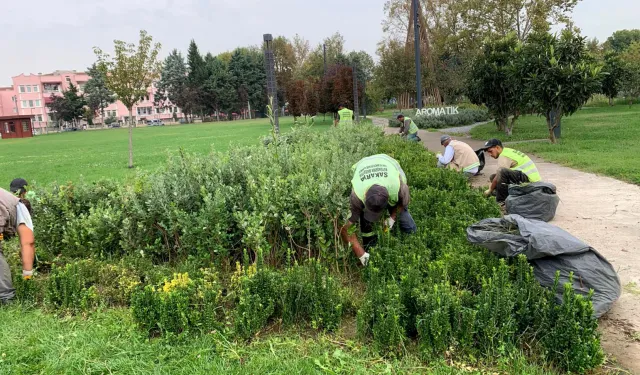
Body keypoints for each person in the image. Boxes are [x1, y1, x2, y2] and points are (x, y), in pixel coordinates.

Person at [340, 154, 417, 266]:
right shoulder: (357, 195)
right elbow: (346, 227)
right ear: (365, 196)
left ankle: (413, 242)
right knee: (366, 222)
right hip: (364, 164)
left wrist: (392, 218)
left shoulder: (398, 186)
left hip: (388, 162)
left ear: (388, 197)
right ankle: (369, 248)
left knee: (405, 220)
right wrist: (361, 254)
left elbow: (402, 202)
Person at [1, 182, 36, 303]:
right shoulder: (20, 209)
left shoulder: (5, 198)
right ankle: (6, 297)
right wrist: (27, 275)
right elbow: (28, 243)